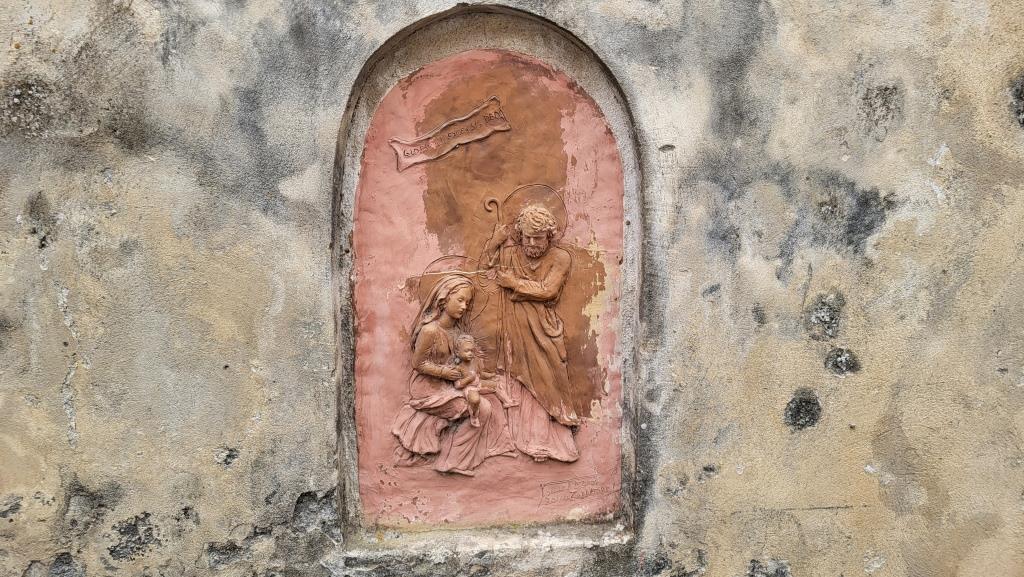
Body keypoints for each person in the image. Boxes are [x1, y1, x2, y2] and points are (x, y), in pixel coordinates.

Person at [481, 205, 582, 463]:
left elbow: (548, 290)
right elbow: (485, 272)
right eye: (527, 237)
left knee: (549, 378)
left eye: (538, 238)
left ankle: (553, 441)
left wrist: (513, 282)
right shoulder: (510, 253)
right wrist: (494, 244)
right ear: (520, 234)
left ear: (549, 236)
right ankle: (524, 440)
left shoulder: (560, 257)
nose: (532, 243)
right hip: (514, 328)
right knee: (519, 381)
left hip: (543, 329)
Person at [391, 274, 515, 475]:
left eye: (467, 302)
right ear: (443, 299)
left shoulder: (458, 332)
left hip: (453, 384)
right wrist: (444, 372)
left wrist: (478, 372)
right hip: (427, 387)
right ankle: (452, 462)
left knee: (493, 397)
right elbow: (418, 363)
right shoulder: (430, 331)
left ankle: (493, 447)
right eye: (460, 300)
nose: (464, 306)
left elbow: (463, 362)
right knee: (481, 408)